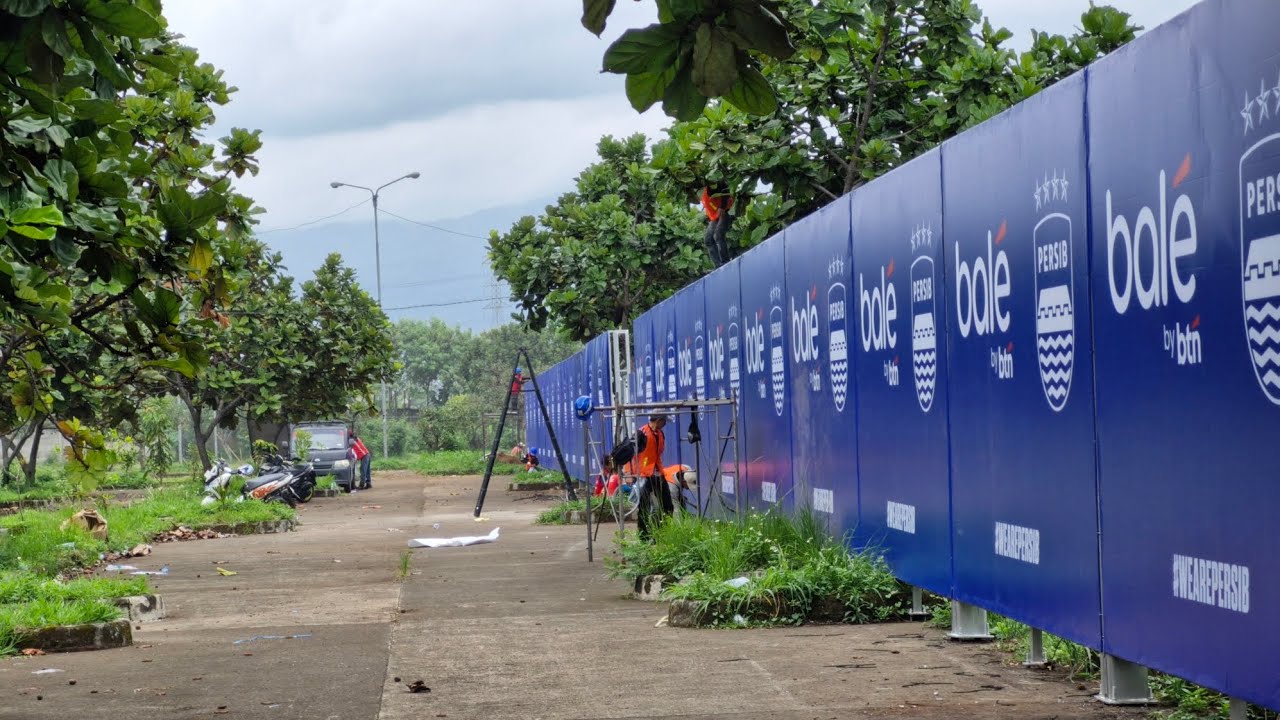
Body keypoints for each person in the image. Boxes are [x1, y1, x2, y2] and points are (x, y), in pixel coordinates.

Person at [634, 413, 672, 540]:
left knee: (668, 505)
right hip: (645, 474)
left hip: (657, 472)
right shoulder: (642, 433)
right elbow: (632, 454)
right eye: (664, 421)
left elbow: (657, 453)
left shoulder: (660, 434)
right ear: (659, 420)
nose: (665, 424)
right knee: (643, 506)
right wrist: (630, 473)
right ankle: (643, 536)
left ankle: (663, 532)